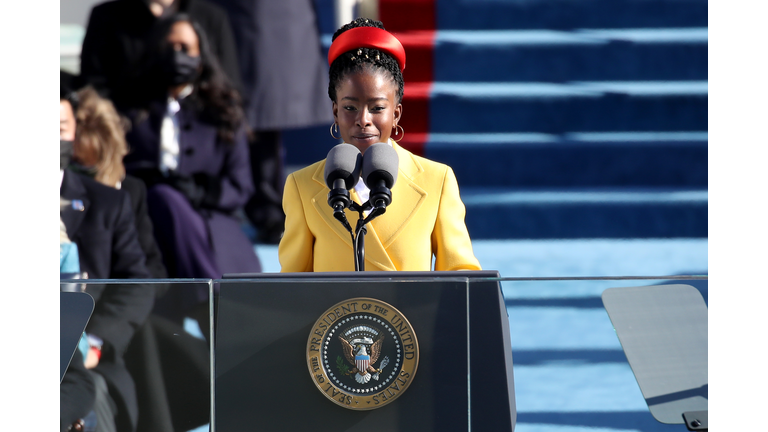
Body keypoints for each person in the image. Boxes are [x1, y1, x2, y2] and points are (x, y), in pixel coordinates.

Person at [278, 18, 482, 272]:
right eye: (350, 108)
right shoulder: (303, 186)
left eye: (377, 108)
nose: (363, 120)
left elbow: (461, 276)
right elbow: (292, 288)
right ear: (335, 112)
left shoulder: (437, 180)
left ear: (395, 114)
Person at [122, 14, 261, 321]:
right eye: (169, 46)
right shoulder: (129, 111)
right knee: (161, 197)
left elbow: (240, 187)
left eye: (185, 47)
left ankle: (210, 306)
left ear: (201, 57)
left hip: (210, 225)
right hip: (147, 224)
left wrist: (199, 190)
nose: (176, 55)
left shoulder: (223, 111)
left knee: (168, 199)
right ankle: (213, 306)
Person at [61, 86, 155, 432]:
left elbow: (138, 281)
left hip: (86, 361)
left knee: (88, 398)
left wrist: (94, 344)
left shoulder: (114, 202)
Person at [206, 0, 334, 244]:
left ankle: (267, 209)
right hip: (238, 19)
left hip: (253, 21)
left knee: (259, 116)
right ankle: (264, 207)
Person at [71, 85, 168, 280]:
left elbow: (153, 270)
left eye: (93, 169)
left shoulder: (130, 192)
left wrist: (131, 295)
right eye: (78, 167)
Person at [79, 0, 241, 111]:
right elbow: (93, 86)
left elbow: (228, 83)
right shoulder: (107, 16)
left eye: (183, 47)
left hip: (199, 134)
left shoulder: (211, 17)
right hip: (129, 134)